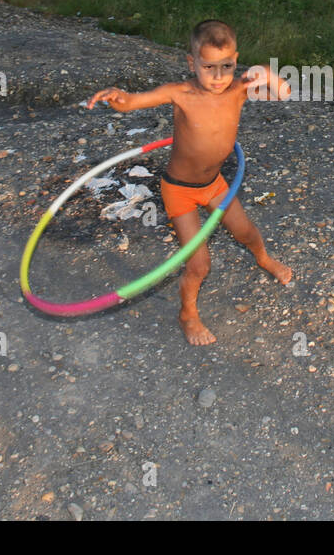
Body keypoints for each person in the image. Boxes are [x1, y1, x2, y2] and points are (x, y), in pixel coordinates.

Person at [87, 19, 293, 345]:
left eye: (226, 66)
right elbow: (133, 101)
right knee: (199, 264)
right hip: (179, 189)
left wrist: (269, 73)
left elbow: (284, 94)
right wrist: (117, 96)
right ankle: (188, 314)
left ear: (236, 60)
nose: (217, 76)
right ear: (191, 62)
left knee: (247, 232)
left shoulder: (239, 89)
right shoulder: (180, 93)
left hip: (215, 184)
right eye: (208, 66)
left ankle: (263, 257)